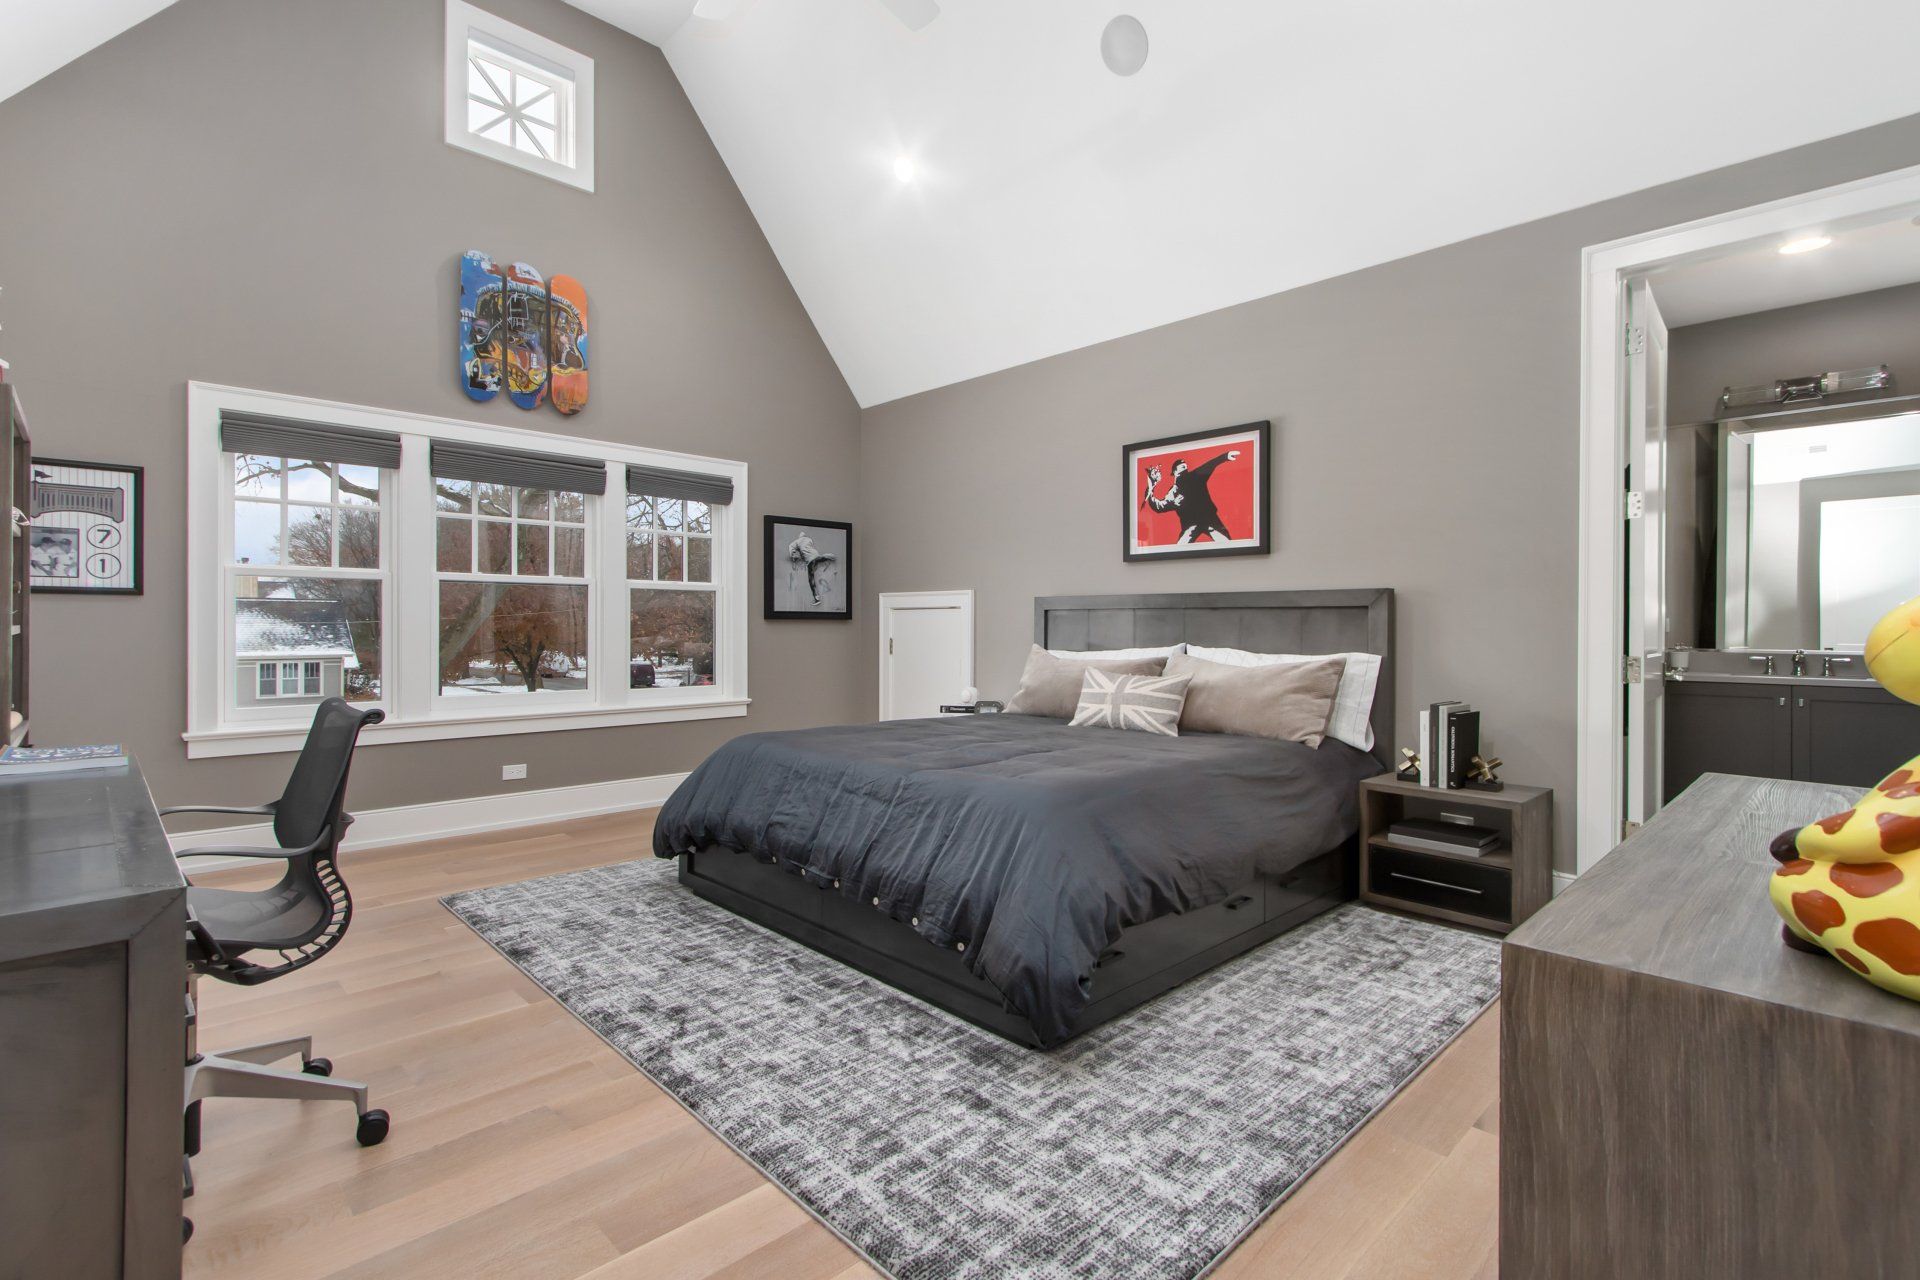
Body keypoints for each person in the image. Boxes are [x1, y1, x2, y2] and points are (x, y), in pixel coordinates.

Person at [1143, 450, 1241, 543]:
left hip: (1210, 520)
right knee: (1179, 550)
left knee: (1227, 544)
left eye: (1186, 468)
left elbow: (1209, 465)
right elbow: (1160, 506)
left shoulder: (1195, 476)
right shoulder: (1173, 492)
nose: (1185, 470)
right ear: (1175, 473)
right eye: (1182, 468)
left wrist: (1225, 457)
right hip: (1190, 525)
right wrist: (1150, 490)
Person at [786, 532, 838, 606]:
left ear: (799, 537)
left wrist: (792, 555)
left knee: (811, 580)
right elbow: (809, 546)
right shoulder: (809, 540)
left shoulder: (797, 541)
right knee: (820, 558)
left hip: (809, 560)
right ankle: (831, 556)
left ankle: (816, 598)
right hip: (815, 554)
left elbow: (790, 546)